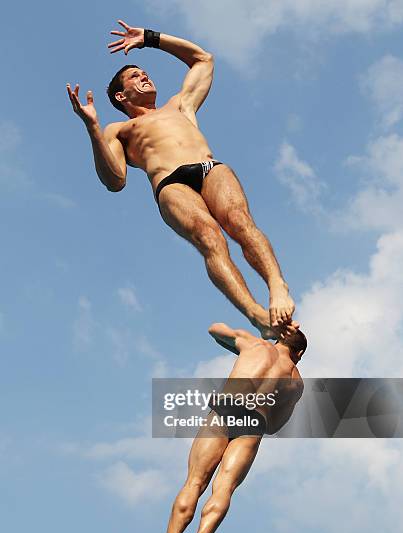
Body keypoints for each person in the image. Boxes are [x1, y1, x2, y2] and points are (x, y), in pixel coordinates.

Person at [67, 20, 297, 339]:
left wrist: (150, 38)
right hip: (170, 184)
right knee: (209, 237)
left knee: (240, 222)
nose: (145, 75)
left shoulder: (180, 104)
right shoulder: (119, 130)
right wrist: (93, 129)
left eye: (145, 73)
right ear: (121, 96)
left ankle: (277, 285)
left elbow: (204, 59)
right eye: (135, 76)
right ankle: (258, 315)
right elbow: (115, 180)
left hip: (208, 168)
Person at [159, 322, 306, 533]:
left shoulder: (252, 344)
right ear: (299, 354)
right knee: (224, 488)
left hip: (224, 410)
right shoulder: (296, 382)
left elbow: (214, 330)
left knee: (194, 482)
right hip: (253, 424)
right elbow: (276, 426)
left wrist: (256, 335)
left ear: (279, 338)